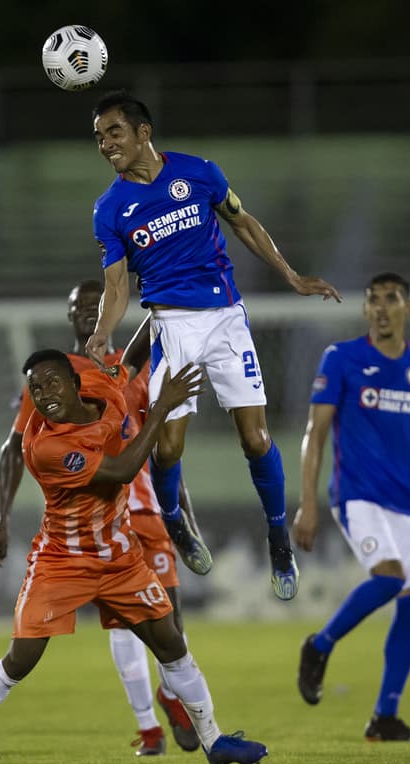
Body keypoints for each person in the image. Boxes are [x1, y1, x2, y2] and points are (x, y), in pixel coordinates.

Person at [0, 351, 267, 764]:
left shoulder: (106, 389)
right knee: (20, 659)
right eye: (35, 389)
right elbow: (123, 469)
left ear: (77, 384)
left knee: (172, 644)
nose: (43, 395)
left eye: (51, 383)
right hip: (62, 562)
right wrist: (162, 407)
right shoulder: (44, 445)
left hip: (120, 560)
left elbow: (129, 360)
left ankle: (214, 740)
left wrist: (162, 301)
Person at [86, 90, 343, 601]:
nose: (106, 144)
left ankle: (277, 536)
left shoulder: (200, 173)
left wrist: (290, 275)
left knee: (255, 438)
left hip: (226, 320)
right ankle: (176, 520)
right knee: (168, 445)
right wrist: (100, 333)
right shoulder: (110, 209)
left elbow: (242, 221)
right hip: (173, 327)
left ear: (143, 132)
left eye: (114, 132)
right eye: (98, 137)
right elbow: (117, 287)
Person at [0, 279, 201, 756]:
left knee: (169, 625)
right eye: (76, 306)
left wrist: (182, 517)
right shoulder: (50, 380)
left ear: (109, 311)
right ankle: (149, 728)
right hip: (100, 518)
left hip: (145, 510)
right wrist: (1, 518)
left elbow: (164, 449)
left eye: (95, 303)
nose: (85, 311)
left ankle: (171, 695)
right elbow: (15, 449)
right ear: (68, 317)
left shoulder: (128, 372)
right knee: (120, 621)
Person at [292, 272, 410, 741]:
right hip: (356, 495)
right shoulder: (342, 358)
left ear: (408, 308)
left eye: (391, 299)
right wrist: (307, 504)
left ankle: (384, 716)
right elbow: (314, 434)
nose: (381, 307)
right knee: (390, 577)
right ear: (365, 311)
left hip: (406, 501)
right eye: (373, 300)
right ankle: (319, 646)